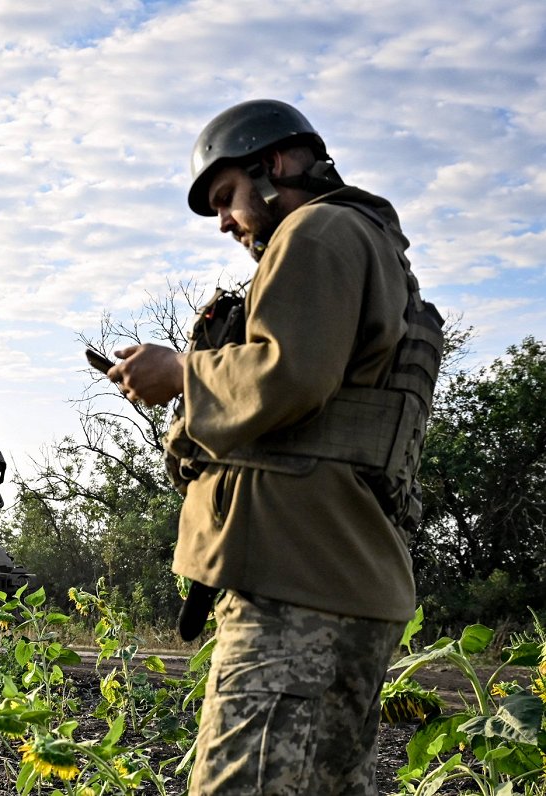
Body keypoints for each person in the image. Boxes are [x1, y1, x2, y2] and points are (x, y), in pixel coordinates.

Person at [105, 99, 442, 795]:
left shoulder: (316, 232)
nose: (224, 222)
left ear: (276, 164)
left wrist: (179, 373)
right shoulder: (361, 241)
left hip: (299, 597)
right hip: (333, 581)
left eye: (226, 197)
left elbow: (287, 372)